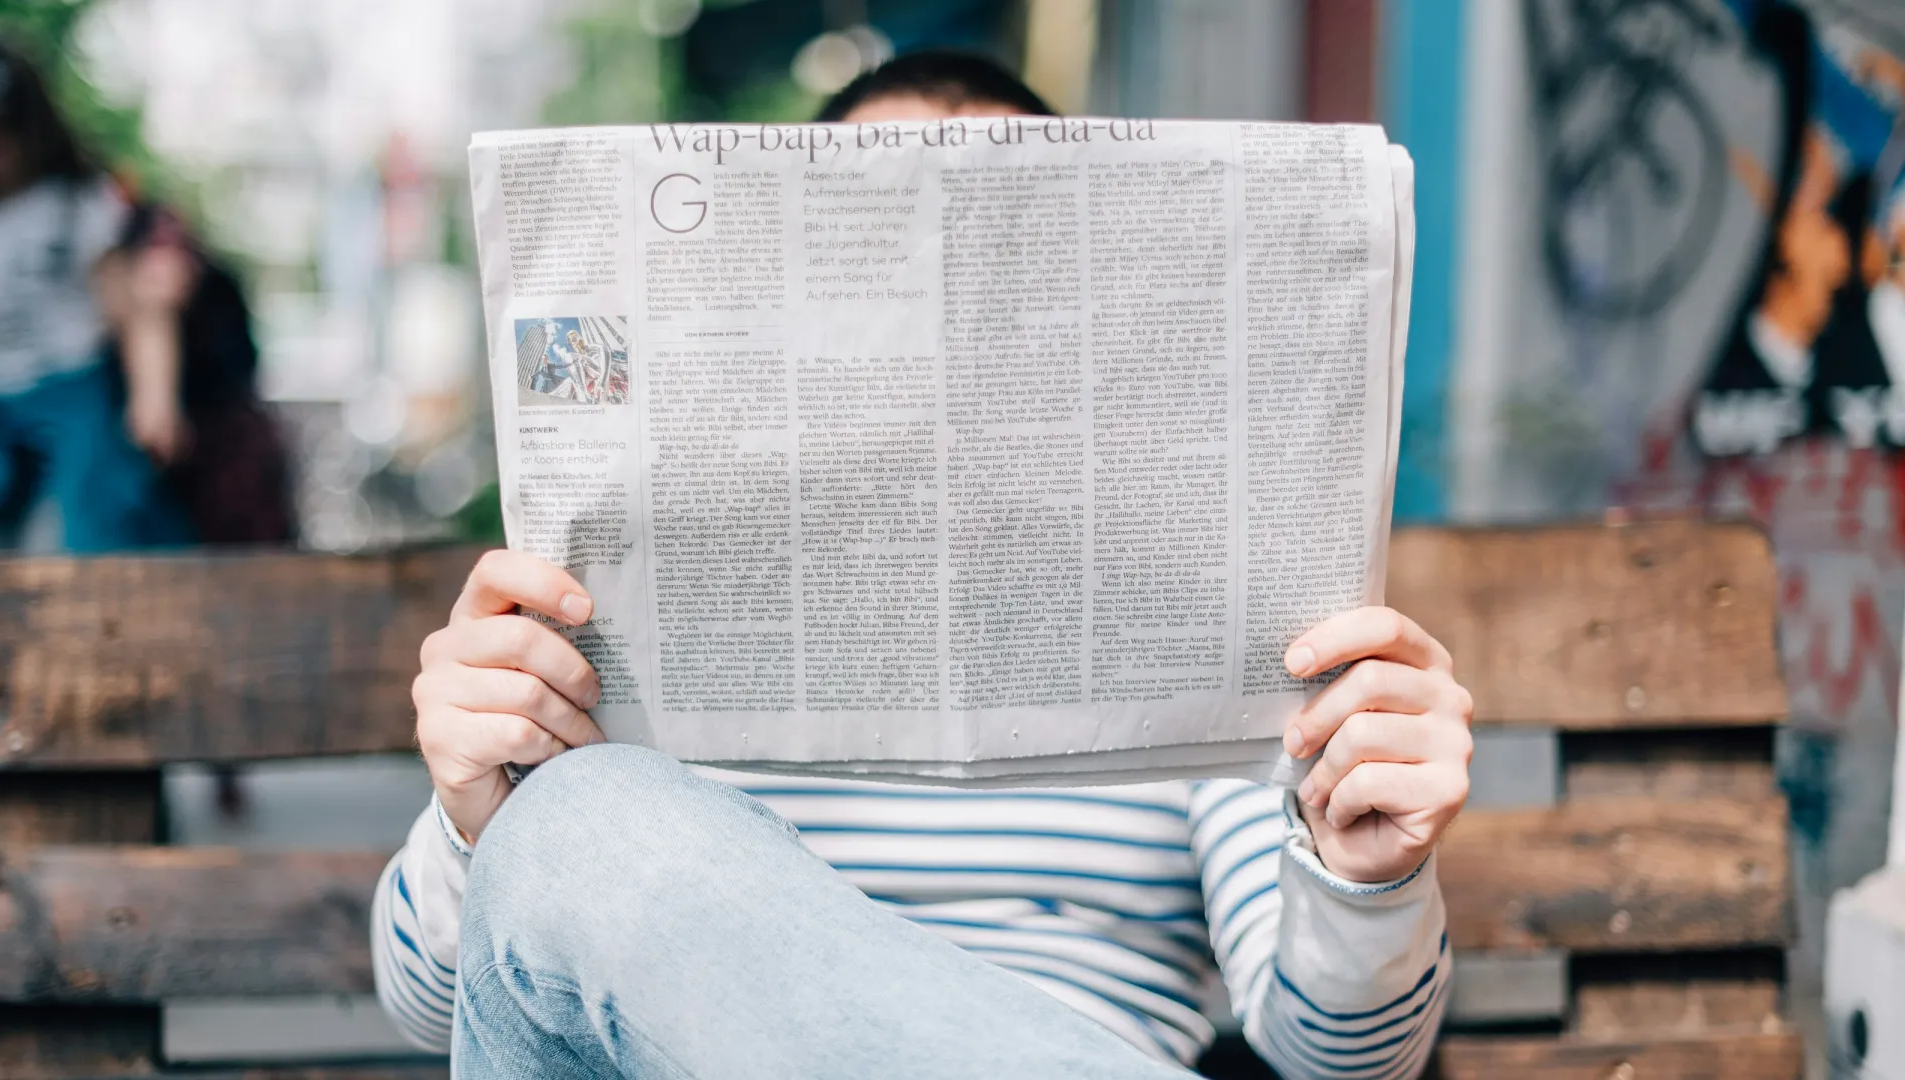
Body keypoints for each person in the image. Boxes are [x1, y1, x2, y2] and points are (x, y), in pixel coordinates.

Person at [373, 52, 1472, 1079]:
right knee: (579, 820)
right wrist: (481, 816)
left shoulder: (1210, 608)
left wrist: (1366, 878)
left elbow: (1343, 1061)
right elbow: (442, 1009)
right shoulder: (621, 608)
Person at [0, 41, 190, 551]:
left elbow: (138, 311)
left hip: (71, 387)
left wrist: (154, 398)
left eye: (4, 135)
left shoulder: (76, 202)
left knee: (85, 520)